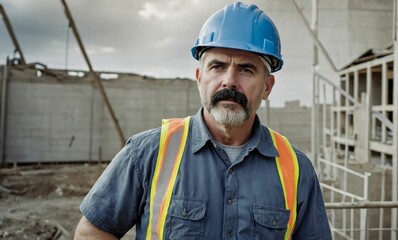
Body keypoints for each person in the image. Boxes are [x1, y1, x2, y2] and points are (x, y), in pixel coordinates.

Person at [74, 2, 332, 239]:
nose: (229, 80)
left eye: (246, 69)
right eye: (217, 66)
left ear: (267, 86)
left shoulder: (297, 170)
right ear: (199, 77)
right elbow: (92, 232)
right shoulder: (146, 153)